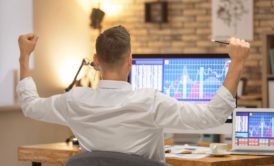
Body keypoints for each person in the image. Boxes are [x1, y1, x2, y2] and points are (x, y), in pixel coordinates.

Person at [17, 25, 250, 162]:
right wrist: (237, 62)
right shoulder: (150, 102)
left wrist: (24, 57)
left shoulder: (74, 100)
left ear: (96, 61)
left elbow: (30, 105)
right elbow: (212, 116)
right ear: (130, 61)